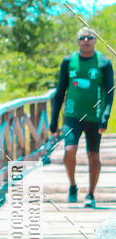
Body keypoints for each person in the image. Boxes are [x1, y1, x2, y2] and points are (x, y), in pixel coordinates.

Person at [49, 26, 114, 207]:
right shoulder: (69, 61)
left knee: (93, 155)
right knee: (70, 150)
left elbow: (109, 92)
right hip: (72, 114)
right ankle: (72, 185)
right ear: (78, 41)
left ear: (95, 40)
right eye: (82, 37)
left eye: (90, 37)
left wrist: (106, 116)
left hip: (95, 115)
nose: (86, 40)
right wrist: (54, 121)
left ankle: (91, 194)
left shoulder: (103, 63)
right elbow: (60, 90)